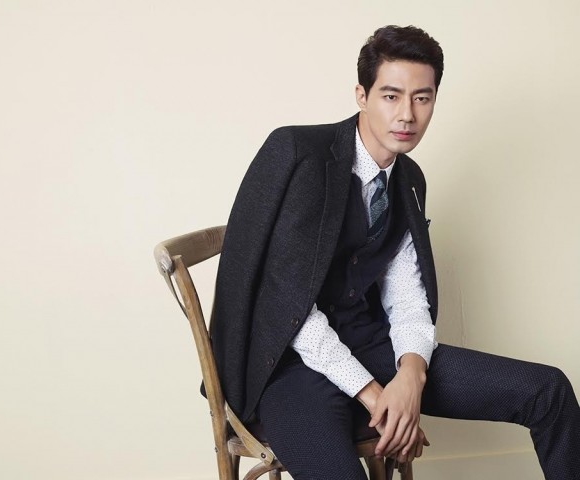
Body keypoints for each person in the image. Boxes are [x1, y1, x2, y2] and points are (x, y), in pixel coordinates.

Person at [209, 25, 580, 479]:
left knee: (548, 391)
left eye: (422, 98)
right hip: (288, 365)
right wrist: (374, 395)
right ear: (361, 96)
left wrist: (410, 376)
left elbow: (406, 295)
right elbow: (287, 308)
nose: (407, 114)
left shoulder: (408, 180)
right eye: (391, 96)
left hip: (369, 343)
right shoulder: (299, 155)